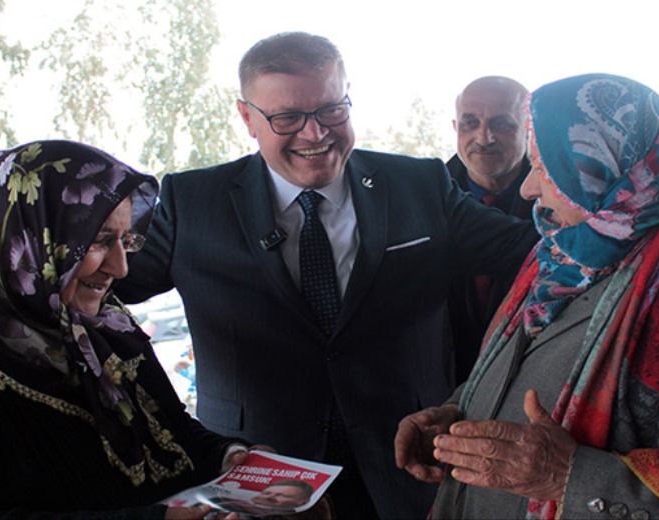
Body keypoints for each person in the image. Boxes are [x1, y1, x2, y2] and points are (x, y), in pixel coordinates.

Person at [114, 32, 538, 519]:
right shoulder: (192, 203)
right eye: (288, 118)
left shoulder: (418, 184)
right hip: (265, 473)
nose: (315, 134)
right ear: (247, 117)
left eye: (332, 111)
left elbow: (534, 253)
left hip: (411, 465)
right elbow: (96, 289)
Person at [394, 73, 659, 519]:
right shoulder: (565, 251)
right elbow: (525, 365)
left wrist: (572, 477)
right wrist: (459, 415)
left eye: (545, 169)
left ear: (608, 168)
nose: (527, 190)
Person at [0, 140, 256, 519]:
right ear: (26, 237)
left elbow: (168, 428)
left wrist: (229, 455)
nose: (120, 267)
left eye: (125, 240)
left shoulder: (101, 322)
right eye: (98, 241)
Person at [445, 76, 535, 382]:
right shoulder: (416, 202)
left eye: (502, 124)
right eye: (470, 123)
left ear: (528, 129)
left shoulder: (562, 206)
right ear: (456, 128)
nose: (484, 137)